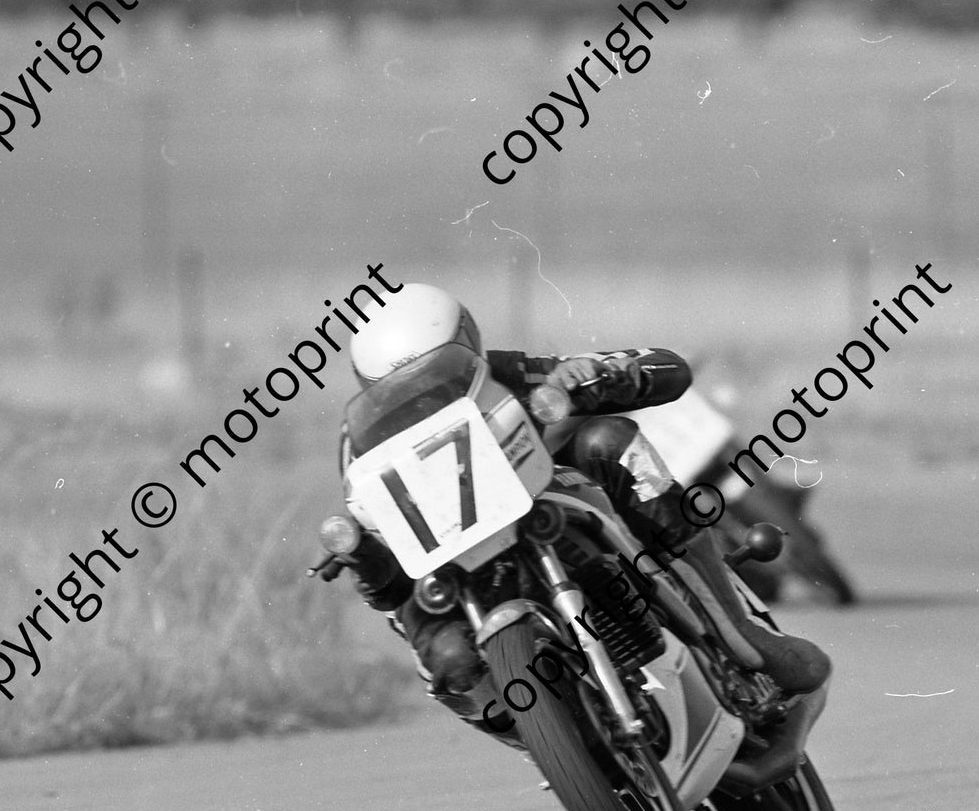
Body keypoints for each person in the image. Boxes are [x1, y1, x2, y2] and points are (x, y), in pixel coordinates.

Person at [334, 283, 831, 744]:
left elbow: (666, 369)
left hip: (543, 511)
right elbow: (380, 563)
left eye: (437, 374)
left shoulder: (506, 373)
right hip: (461, 569)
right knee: (438, 643)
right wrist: (365, 559)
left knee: (609, 441)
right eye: (402, 385)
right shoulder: (357, 449)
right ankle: (532, 732)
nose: (423, 395)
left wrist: (601, 375)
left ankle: (737, 631)